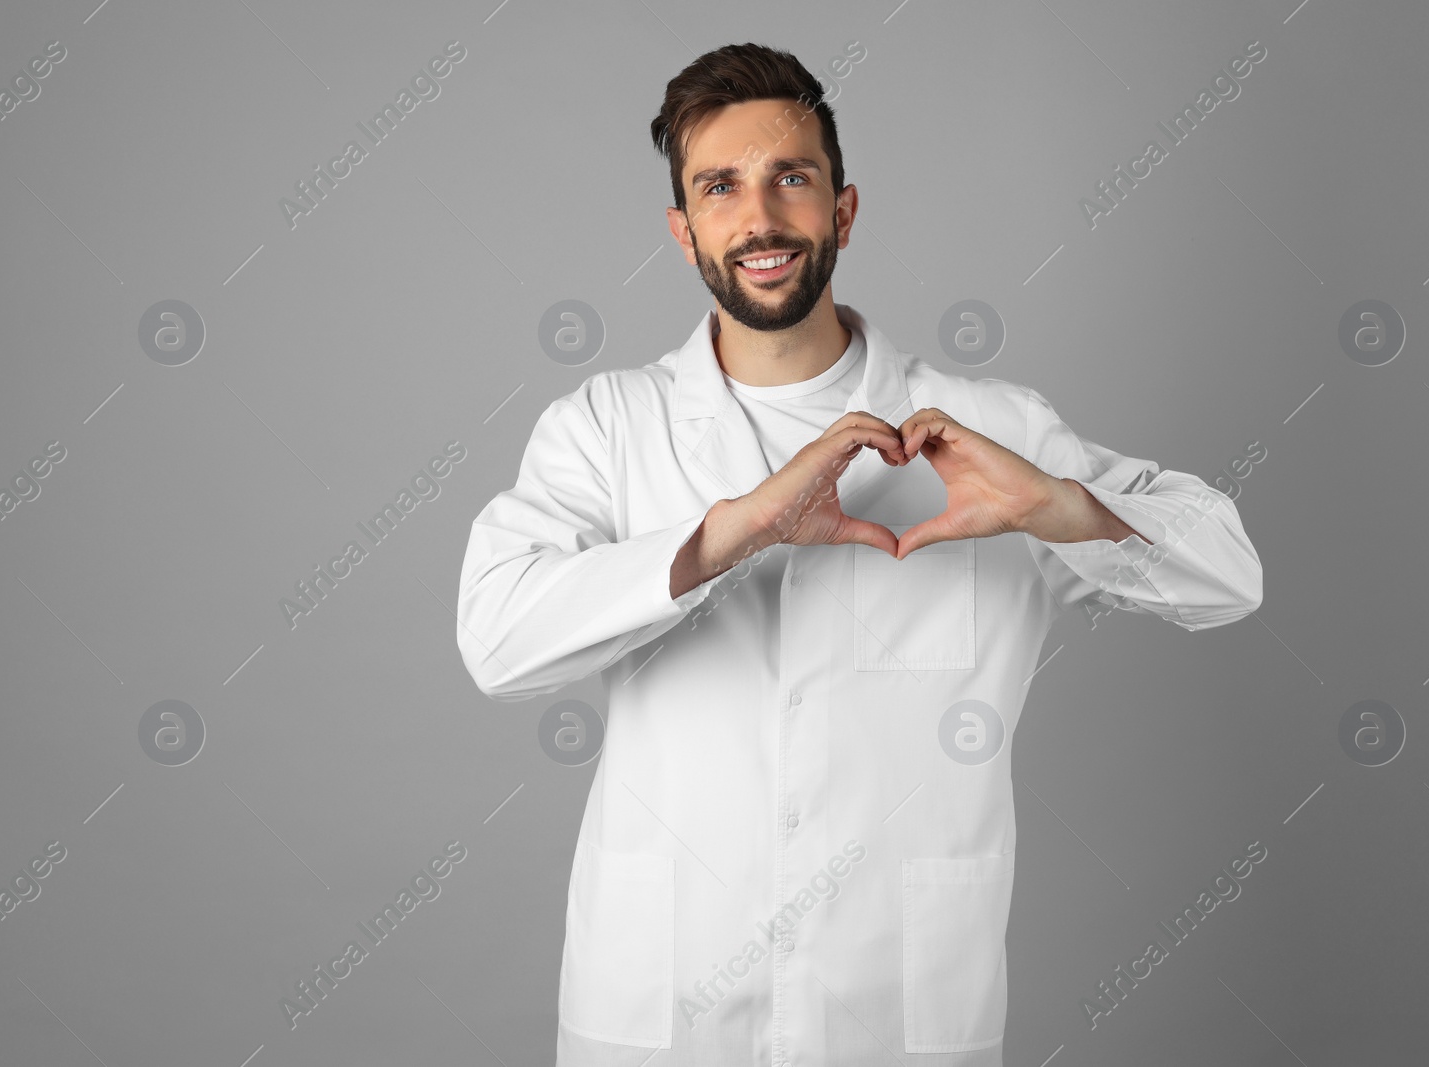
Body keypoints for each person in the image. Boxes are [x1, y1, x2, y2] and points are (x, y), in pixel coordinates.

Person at [456, 41, 1263, 1067]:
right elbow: (497, 640)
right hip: (661, 1006)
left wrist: (1061, 507)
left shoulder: (987, 428)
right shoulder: (607, 425)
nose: (759, 218)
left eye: (791, 178)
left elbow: (1231, 577)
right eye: (720, 187)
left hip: (899, 1005)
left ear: (840, 209)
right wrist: (731, 530)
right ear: (684, 230)